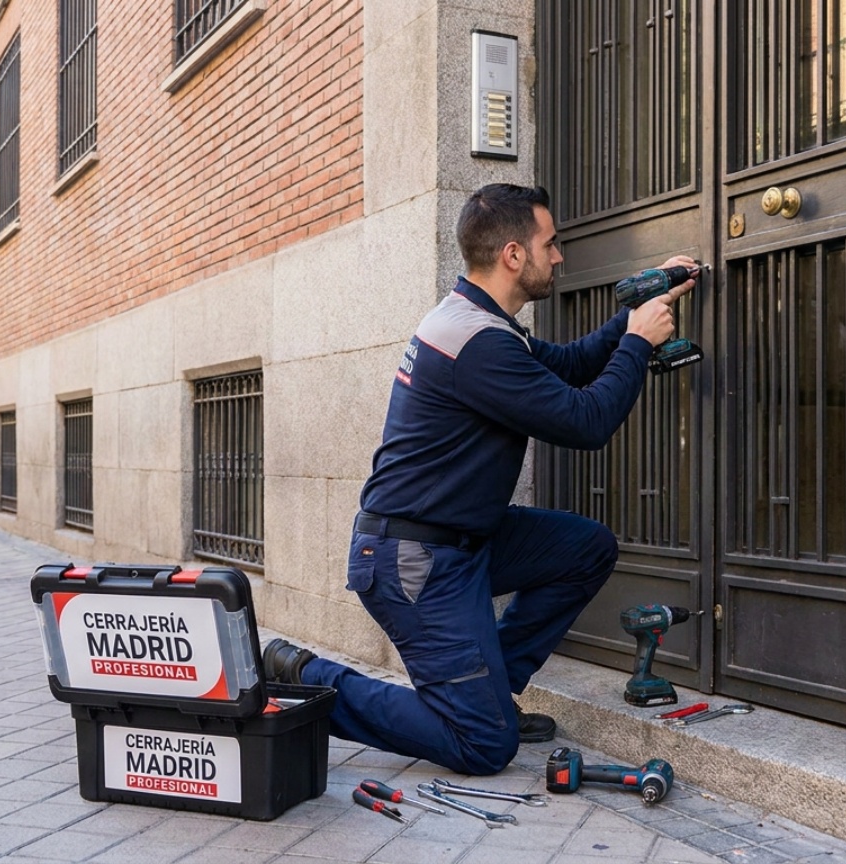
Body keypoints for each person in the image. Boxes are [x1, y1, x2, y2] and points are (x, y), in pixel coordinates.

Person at [263, 184, 698, 776]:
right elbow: (585, 420)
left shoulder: (479, 322)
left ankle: (493, 694)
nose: (560, 256)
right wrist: (637, 341)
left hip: (462, 540)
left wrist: (643, 302)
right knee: (482, 747)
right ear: (514, 255)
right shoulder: (478, 343)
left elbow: (569, 366)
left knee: (585, 548)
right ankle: (309, 679)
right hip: (415, 560)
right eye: (551, 243)